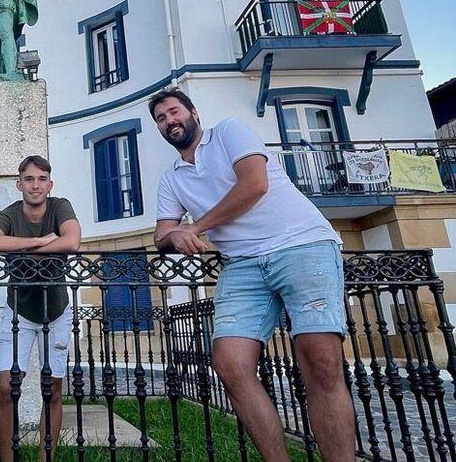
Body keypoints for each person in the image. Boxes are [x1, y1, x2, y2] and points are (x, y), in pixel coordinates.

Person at [149, 87, 355, 462]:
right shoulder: (172, 177)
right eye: (161, 119)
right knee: (229, 363)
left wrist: (193, 229)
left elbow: (254, 185)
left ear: (193, 112)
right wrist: (173, 233)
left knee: (322, 363)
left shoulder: (228, 132)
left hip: (301, 244)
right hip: (242, 263)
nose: (170, 121)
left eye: (174, 112)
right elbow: (161, 233)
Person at [0, 155, 81, 462]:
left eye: (41, 179)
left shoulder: (60, 206)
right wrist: (39, 243)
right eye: (29, 179)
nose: (35, 185)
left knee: (52, 389)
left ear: (50, 184)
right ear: (19, 184)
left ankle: (44, 459)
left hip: (57, 310)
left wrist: (22, 248)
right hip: (18, 312)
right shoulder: (8, 214)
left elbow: (72, 241)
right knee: (5, 389)